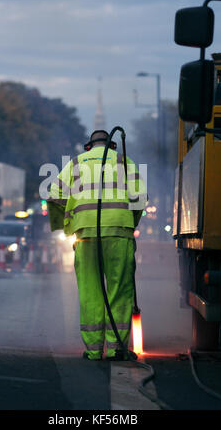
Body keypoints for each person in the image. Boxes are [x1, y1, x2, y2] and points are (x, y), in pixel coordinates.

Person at [47, 129, 147, 360]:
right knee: (119, 289)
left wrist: (66, 225)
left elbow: (54, 196)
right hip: (119, 234)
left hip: (85, 235)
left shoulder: (75, 163)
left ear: (89, 147)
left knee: (90, 290)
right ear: (111, 145)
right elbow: (140, 197)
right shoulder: (123, 161)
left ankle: (93, 350)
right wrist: (130, 224)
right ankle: (115, 349)